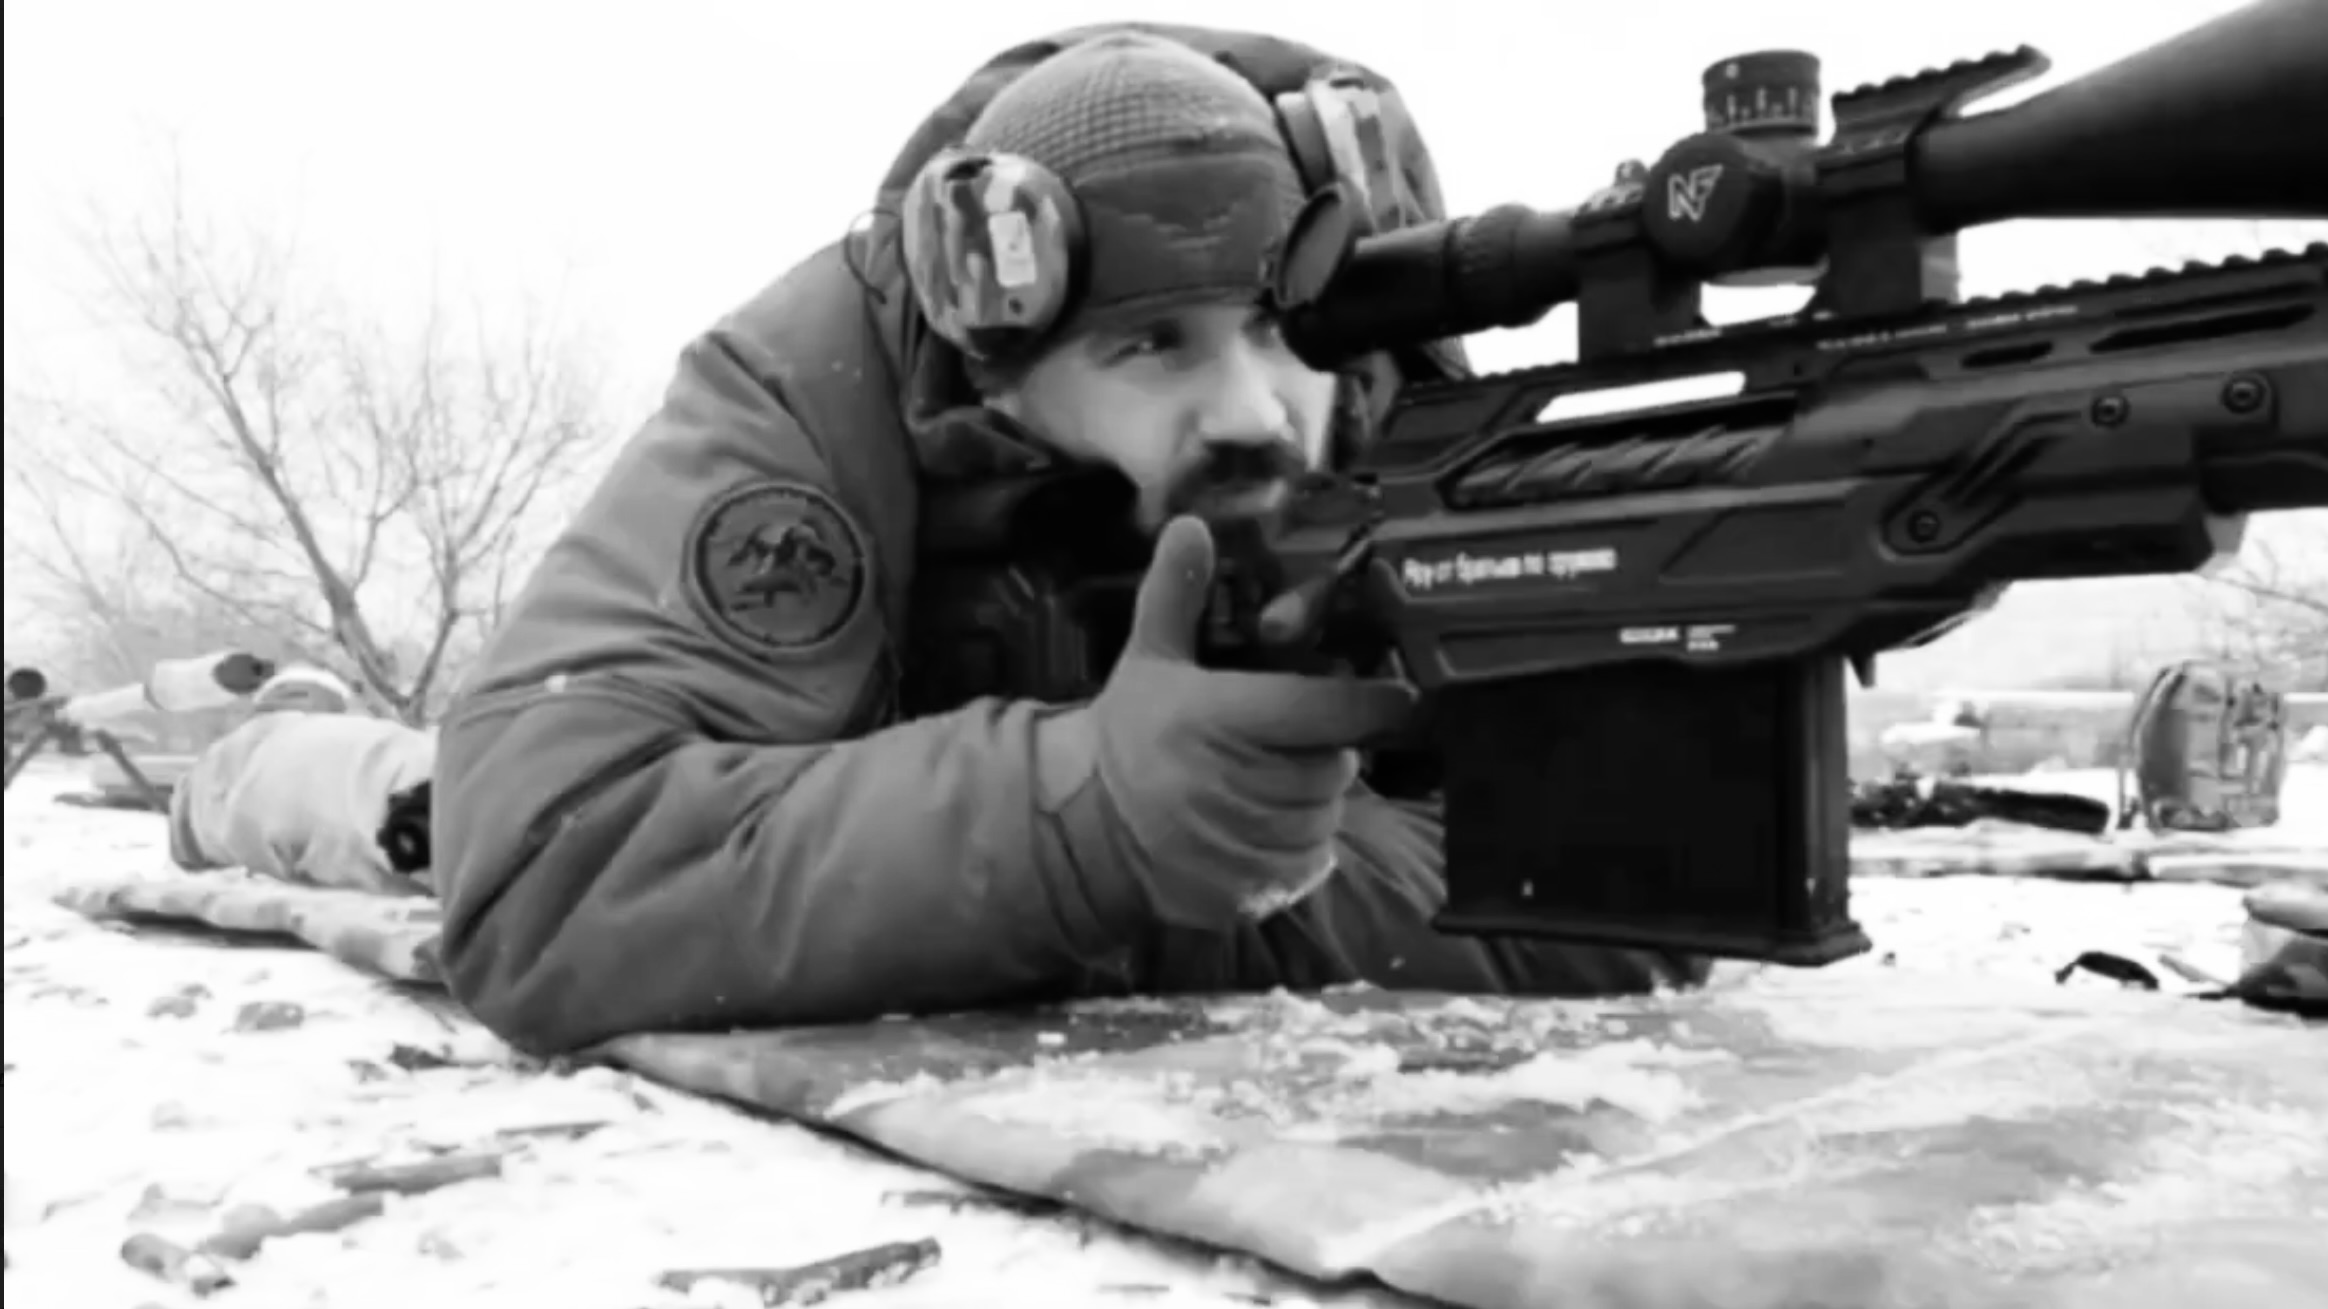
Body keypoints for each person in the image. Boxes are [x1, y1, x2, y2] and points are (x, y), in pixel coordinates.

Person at [433, 24, 1708, 1056]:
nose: (1254, 411)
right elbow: (544, 885)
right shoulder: (814, 384)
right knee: (371, 791)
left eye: (1280, 330)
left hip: (842, 845)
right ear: (999, 377)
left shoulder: (1398, 397)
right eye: (1151, 344)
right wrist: (1085, 821)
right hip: (729, 763)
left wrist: (1198, 873)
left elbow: (1635, 893)